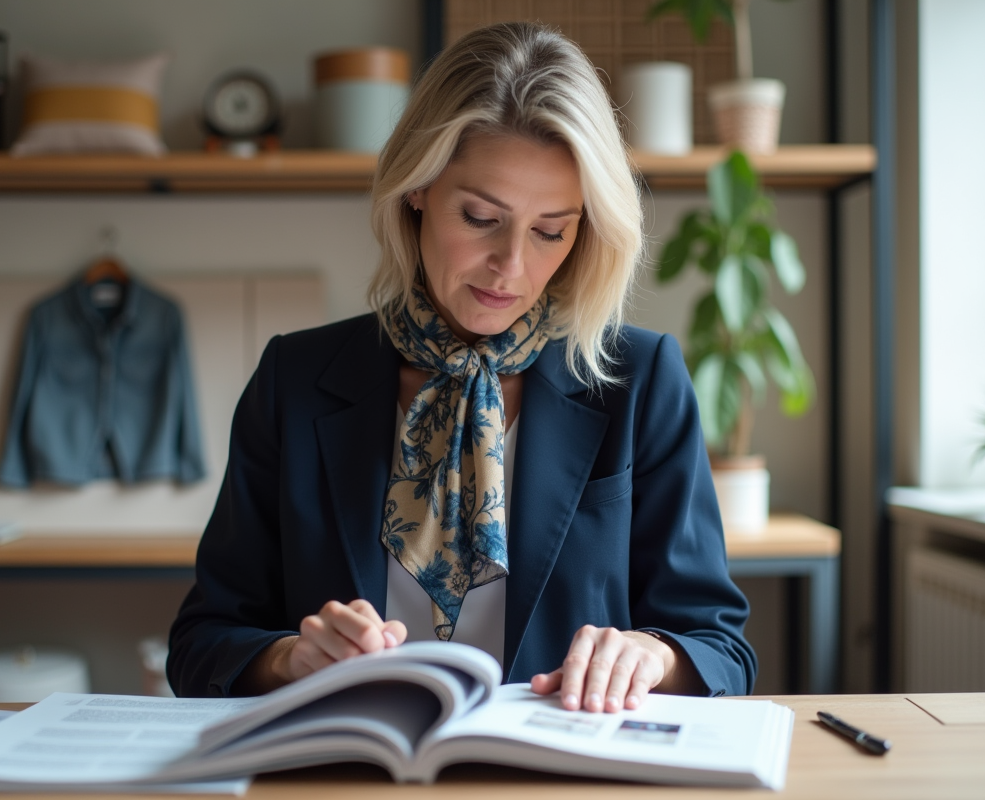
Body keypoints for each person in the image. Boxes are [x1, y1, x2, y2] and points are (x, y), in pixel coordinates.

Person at [168, 20, 756, 714]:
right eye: (481, 217)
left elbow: (722, 648)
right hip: (346, 772)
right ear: (417, 189)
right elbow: (202, 643)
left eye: (550, 230)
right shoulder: (294, 380)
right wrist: (287, 657)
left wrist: (651, 655)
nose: (512, 267)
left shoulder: (641, 379)